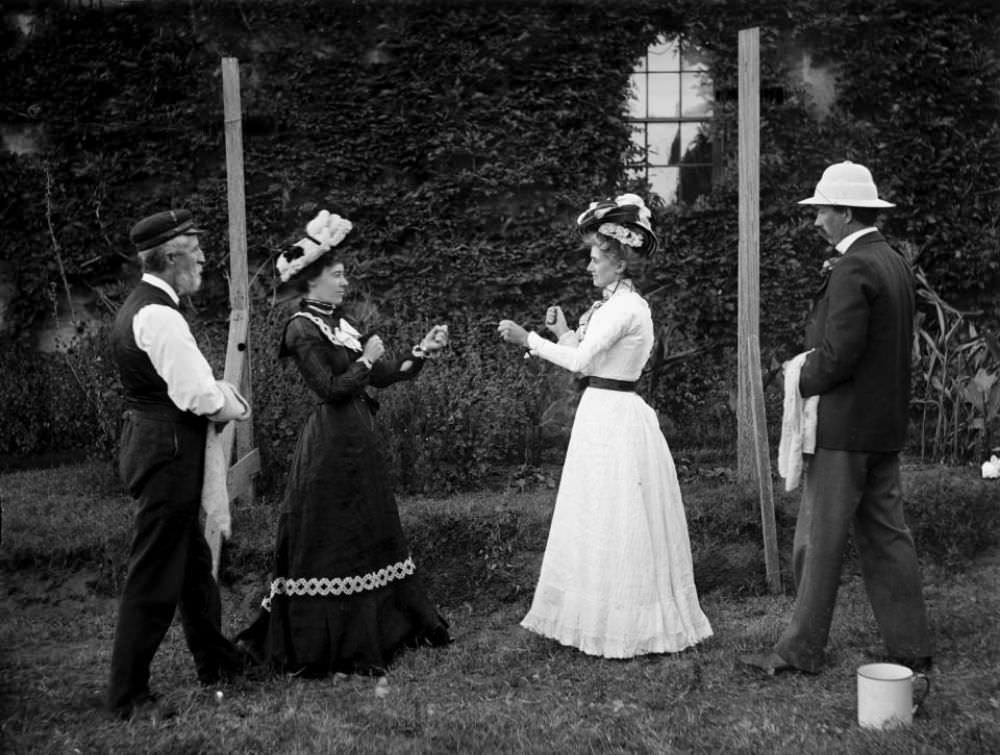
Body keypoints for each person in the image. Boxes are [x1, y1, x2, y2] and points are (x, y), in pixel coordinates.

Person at [236, 210, 451, 680]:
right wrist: (366, 360)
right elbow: (330, 389)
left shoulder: (340, 322)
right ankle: (328, 641)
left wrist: (421, 351)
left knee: (367, 529)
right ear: (311, 282)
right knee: (333, 537)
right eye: (336, 275)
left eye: (343, 274)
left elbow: (384, 375)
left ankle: (380, 629)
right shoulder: (301, 329)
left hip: (359, 442)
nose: (345, 281)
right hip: (330, 445)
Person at [497, 194, 713, 658]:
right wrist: (558, 333)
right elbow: (588, 360)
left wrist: (527, 339)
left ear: (618, 261)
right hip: (602, 412)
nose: (589, 266)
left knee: (619, 516)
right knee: (596, 514)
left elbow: (580, 361)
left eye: (595, 258)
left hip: (615, 417)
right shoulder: (612, 305)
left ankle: (626, 624)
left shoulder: (625, 309)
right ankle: (593, 617)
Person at [740, 161, 933, 675]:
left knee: (816, 544)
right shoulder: (892, 260)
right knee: (889, 536)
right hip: (883, 428)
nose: (816, 221)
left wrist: (797, 376)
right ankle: (911, 646)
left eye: (822, 211)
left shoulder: (853, 268)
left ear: (847, 213)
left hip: (844, 431)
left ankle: (799, 650)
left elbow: (841, 353)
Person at [108, 208, 253, 719]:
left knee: (192, 568)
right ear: (170, 257)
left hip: (156, 445)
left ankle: (217, 661)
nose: (204, 256)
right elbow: (200, 397)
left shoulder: (140, 307)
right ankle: (128, 695)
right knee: (153, 575)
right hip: (167, 453)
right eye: (195, 246)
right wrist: (233, 400)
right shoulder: (160, 314)